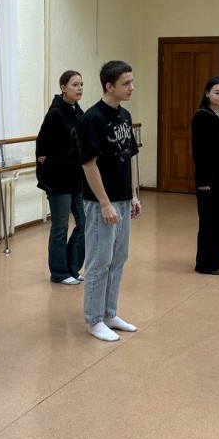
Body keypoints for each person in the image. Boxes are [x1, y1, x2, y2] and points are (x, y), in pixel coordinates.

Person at [78, 60, 141, 342]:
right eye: (126, 83)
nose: (132, 87)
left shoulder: (124, 116)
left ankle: (109, 313)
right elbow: (88, 164)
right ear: (109, 86)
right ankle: (94, 320)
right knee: (99, 261)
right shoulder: (92, 119)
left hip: (123, 198)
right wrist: (104, 203)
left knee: (118, 258)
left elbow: (129, 156)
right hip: (100, 202)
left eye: (132, 82)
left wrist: (133, 194)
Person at [36, 70, 86, 285]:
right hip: (58, 181)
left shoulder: (78, 112)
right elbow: (42, 149)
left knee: (84, 222)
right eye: (75, 84)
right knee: (60, 226)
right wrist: (52, 162)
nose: (79, 88)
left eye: (81, 84)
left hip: (76, 179)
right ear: (63, 88)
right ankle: (59, 272)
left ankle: (72, 268)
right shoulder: (55, 114)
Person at [191, 76, 219, 275]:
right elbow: (198, 152)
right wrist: (202, 180)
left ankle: (218, 259)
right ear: (207, 93)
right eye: (217, 92)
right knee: (208, 221)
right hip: (207, 176)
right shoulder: (200, 116)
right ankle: (204, 264)